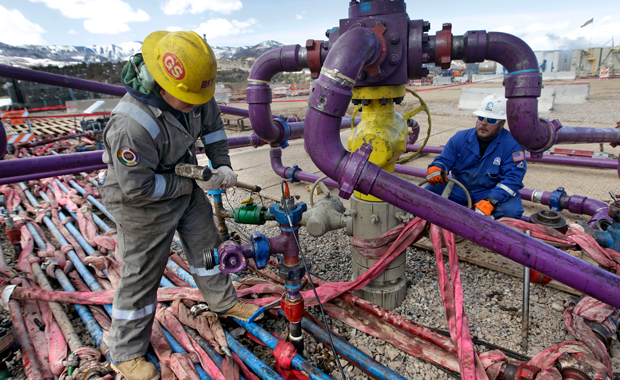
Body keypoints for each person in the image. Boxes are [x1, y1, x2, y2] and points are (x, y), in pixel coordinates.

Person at [101, 30, 260, 380]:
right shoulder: (131, 125)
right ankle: (124, 352)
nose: (196, 104)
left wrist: (222, 166)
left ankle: (223, 302)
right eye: (188, 99)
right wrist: (190, 180)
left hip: (184, 186)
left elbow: (214, 128)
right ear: (162, 85)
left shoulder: (194, 88)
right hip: (140, 203)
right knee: (141, 276)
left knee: (208, 248)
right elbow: (137, 187)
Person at [425, 93, 527, 219]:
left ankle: (490, 235)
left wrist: (491, 201)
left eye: (491, 120)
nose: (483, 123)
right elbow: (444, 159)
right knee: (425, 195)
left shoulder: (512, 146)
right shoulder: (460, 138)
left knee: (511, 212)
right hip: (459, 189)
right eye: (481, 117)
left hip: (489, 191)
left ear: (502, 123)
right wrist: (437, 167)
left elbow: (513, 180)